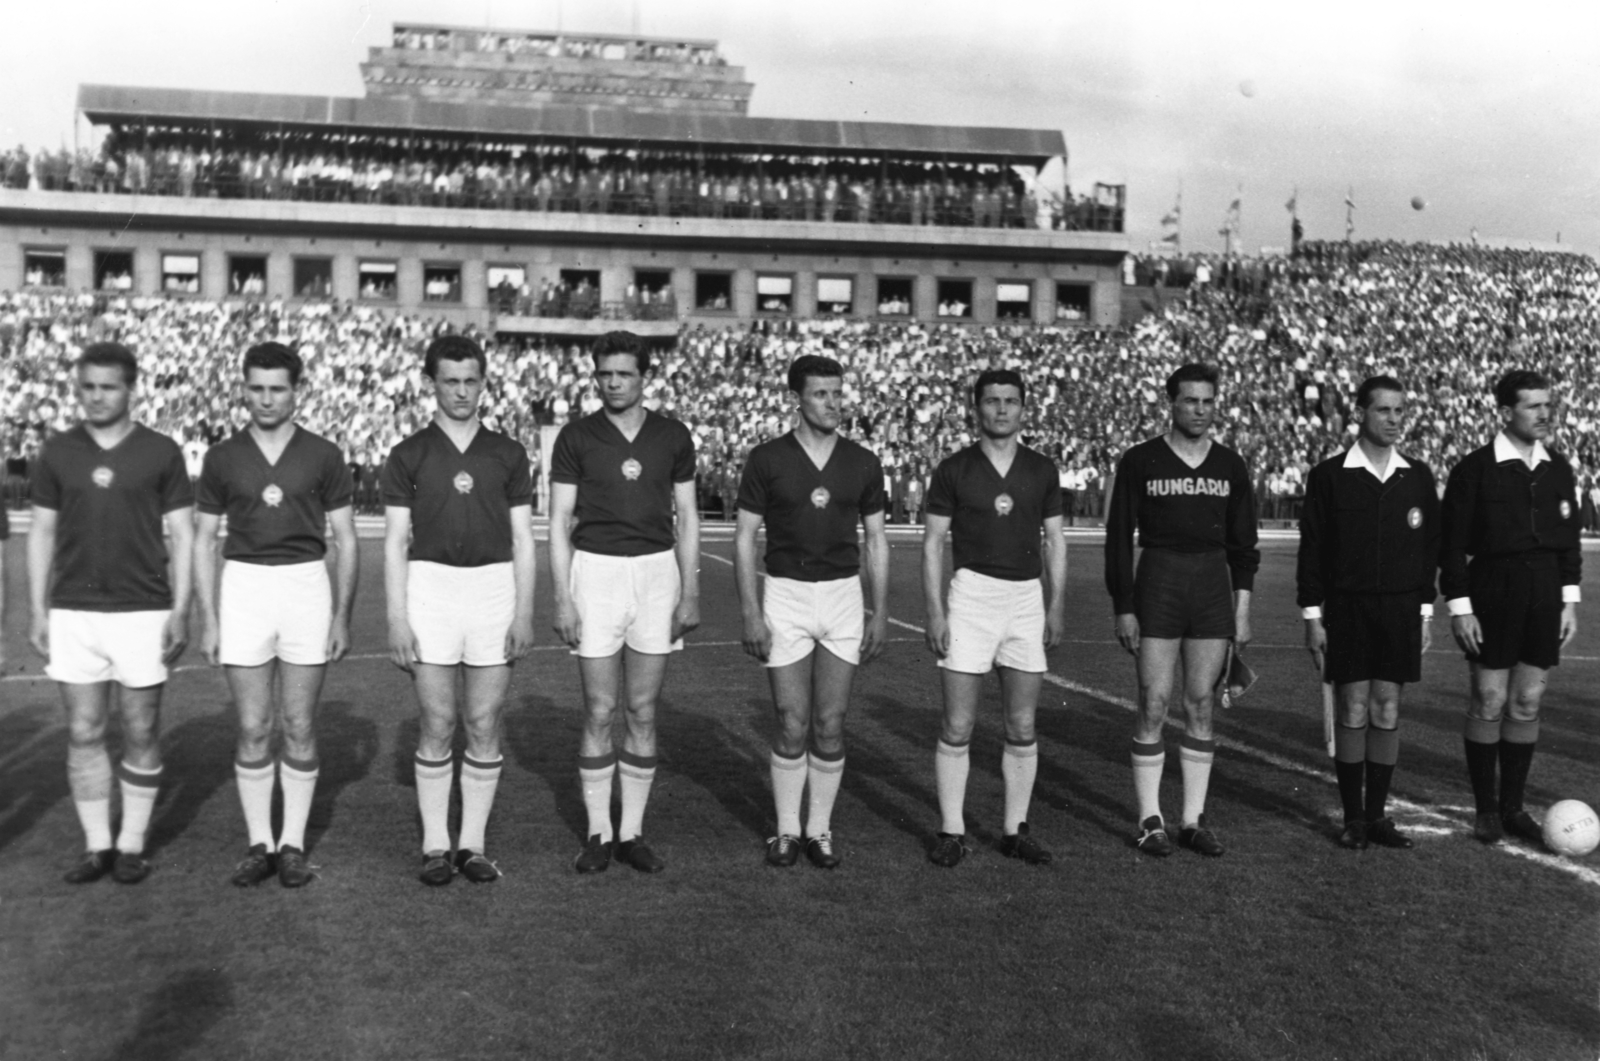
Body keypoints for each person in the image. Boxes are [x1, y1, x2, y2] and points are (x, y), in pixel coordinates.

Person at [27, 342, 195, 885]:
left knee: (141, 728)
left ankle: (131, 844)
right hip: (74, 610)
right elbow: (43, 533)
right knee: (83, 730)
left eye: (108, 387)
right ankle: (97, 844)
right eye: (87, 387)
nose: (96, 397)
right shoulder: (56, 451)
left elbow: (186, 536)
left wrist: (182, 606)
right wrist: (37, 609)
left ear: (130, 389)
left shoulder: (161, 451)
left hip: (143, 609)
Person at [193, 343, 358, 888]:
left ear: (296, 391)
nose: (267, 399)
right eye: (257, 388)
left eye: (278, 388)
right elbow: (201, 540)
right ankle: (259, 843)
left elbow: (347, 539)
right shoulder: (221, 457)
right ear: (244, 388)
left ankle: (292, 845)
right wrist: (211, 620)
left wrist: (341, 615)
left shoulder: (324, 454)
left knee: (300, 724)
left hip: (305, 586)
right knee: (252, 725)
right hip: (243, 587)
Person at [382, 335, 536, 886]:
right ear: (432, 384)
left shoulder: (508, 453)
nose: (462, 391)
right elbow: (396, 541)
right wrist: (397, 618)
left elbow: (524, 538)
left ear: (483, 383)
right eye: (451, 381)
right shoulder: (408, 454)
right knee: (438, 721)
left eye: (471, 380)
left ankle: (471, 844)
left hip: (494, 590)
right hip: (431, 589)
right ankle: (434, 844)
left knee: (483, 721)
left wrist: (523, 613)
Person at [549, 330, 700, 875]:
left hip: (657, 575)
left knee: (641, 709)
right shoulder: (576, 436)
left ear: (644, 377)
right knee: (599, 709)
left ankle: (631, 832)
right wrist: (563, 598)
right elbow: (560, 521)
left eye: (624, 374)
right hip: (597, 573)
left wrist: (692, 590)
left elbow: (688, 516)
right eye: (605, 374)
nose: (614, 383)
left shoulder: (672, 435)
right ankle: (597, 832)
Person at [735, 355, 890, 869]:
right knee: (790, 719)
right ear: (796, 399)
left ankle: (819, 830)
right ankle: (785, 830)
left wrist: (880, 610)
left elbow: (877, 541)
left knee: (830, 721)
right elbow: (743, 539)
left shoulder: (863, 461)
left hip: (843, 595)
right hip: (785, 594)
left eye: (837, 394)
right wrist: (751, 612)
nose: (832, 404)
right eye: (821, 394)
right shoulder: (767, 459)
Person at [1105, 363, 1258, 858]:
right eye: (1190, 400)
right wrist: (1124, 606)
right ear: (1171, 403)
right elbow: (1118, 539)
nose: (1199, 410)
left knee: (1200, 703)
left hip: (1212, 585)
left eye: (1207, 401)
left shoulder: (1230, 465)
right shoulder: (1141, 460)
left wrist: (1242, 610)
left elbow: (1244, 548)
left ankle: (1192, 820)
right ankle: (1151, 820)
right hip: (1160, 582)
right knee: (1153, 701)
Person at [922, 369, 1067, 868]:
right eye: (991, 401)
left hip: (1025, 597)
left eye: (1010, 401)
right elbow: (931, 545)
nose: (1001, 409)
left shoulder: (1042, 469)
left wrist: (1056, 603)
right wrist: (936, 610)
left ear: (1024, 408)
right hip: (971, 596)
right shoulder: (955, 469)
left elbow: (1056, 542)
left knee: (1022, 723)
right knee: (958, 723)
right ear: (975, 408)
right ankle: (952, 830)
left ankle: (1014, 829)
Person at [1296, 376, 1440, 850]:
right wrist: (1313, 617)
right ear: (1360, 412)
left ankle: (1378, 816)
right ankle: (1354, 817)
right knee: (1353, 706)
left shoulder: (1417, 476)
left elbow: (1427, 551)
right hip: (1349, 608)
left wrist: (1423, 612)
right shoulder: (1330, 475)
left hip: (1400, 609)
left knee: (1387, 706)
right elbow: (1313, 552)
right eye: (1384, 410)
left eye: (1400, 411)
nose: (1394, 420)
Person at [1440, 369, 1581, 846]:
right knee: (1491, 699)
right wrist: (1461, 607)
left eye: (1548, 404)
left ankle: (1513, 806)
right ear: (1505, 413)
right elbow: (1452, 546)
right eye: (1533, 405)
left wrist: (1568, 601)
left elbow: (1568, 542)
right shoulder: (1475, 469)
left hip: (1544, 592)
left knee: (1527, 700)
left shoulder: (1558, 467)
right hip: (1494, 588)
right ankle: (1486, 811)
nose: (1545, 413)